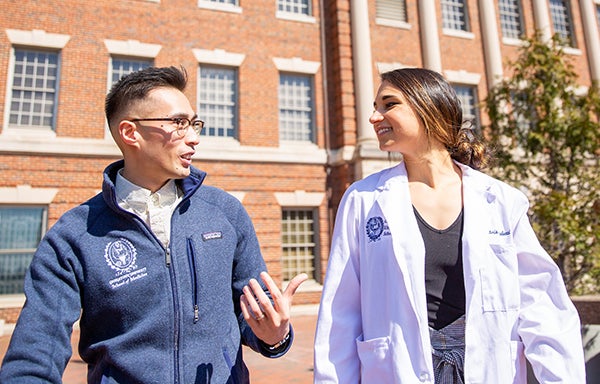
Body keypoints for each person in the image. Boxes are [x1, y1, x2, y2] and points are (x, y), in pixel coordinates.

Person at [0, 65, 308, 383]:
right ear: (130, 133)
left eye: (194, 124)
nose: (194, 138)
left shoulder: (225, 212)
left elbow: (256, 315)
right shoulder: (74, 236)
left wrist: (275, 334)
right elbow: (32, 359)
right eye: (179, 124)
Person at [313, 68, 585, 383]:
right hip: (400, 368)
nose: (374, 117)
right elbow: (340, 315)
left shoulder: (500, 201)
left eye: (389, 104)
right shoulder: (363, 200)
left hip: (485, 366)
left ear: (428, 108)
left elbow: (543, 307)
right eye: (376, 106)